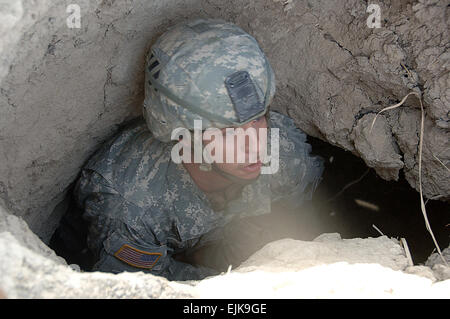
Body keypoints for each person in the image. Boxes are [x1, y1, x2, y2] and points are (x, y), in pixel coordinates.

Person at [73, 18, 324, 281]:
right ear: (184, 137)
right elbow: (137, 287)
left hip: (228, 238)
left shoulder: (282, 149)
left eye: (258, 119)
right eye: (227, 132)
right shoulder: (131, 205)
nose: (255, 145)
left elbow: (306, 206)